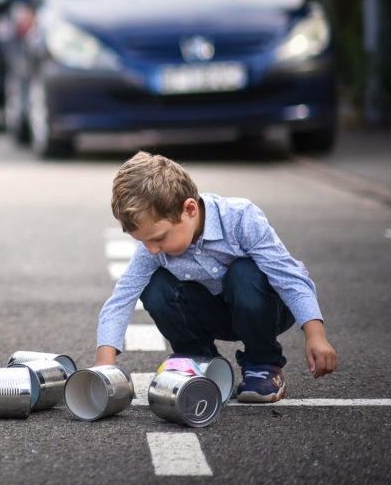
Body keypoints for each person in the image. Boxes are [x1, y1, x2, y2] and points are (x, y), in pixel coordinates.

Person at [94, 151, 337, 403]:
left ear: (189, 209)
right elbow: (121, 300)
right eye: (143, 241)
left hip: (265, 310)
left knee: (244, 272)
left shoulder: (240, 218)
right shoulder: (152, 248)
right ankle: (201, 362)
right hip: (214, 315)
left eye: (158, 238)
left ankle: (262, 364)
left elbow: (289, 276)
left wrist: (315, 335)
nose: (152, 249)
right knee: (155, 288)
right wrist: (105, 365)